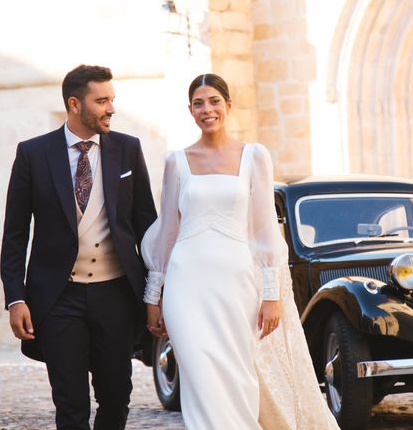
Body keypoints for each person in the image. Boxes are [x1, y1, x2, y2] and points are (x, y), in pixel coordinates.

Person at [141, 74, 339, 429]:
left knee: (239, 375)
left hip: (237, 284)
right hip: (186, 287)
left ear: (229, 105)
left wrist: (270, 295)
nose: (207, 110)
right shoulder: (176, 162)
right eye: (199, 103)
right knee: (199, 377)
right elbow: (166, 233)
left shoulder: (254, 157)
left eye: (214, 101)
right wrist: (154, 296)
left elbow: (265, 231)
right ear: (190, 111)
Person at [0, 65, 157, 430]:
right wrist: (16, 298)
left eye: (112, 99)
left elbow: (147, 226)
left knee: (116, 397)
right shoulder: (33, 154)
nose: (111, 108)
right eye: (101, 101)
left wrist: (155, 294)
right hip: (59, 299)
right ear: (74, 104)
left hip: (115, 295)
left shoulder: (128, 150)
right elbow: (14, 235)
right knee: (70, 404)